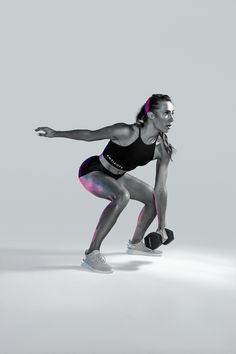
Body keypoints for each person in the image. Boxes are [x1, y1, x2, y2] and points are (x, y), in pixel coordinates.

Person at [35, 94, 176, 274]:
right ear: (151, 115)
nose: (171, 119)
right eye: (166, 113)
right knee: (122, 196)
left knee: (152, 198)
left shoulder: (162, 149)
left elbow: (161, 189)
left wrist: (161, 226)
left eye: (172, 113)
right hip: (93, 170)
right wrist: (56, 133)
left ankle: (135, 243)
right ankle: (92, 253)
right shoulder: (126, 132)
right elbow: (89, 135)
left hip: (119, 176)